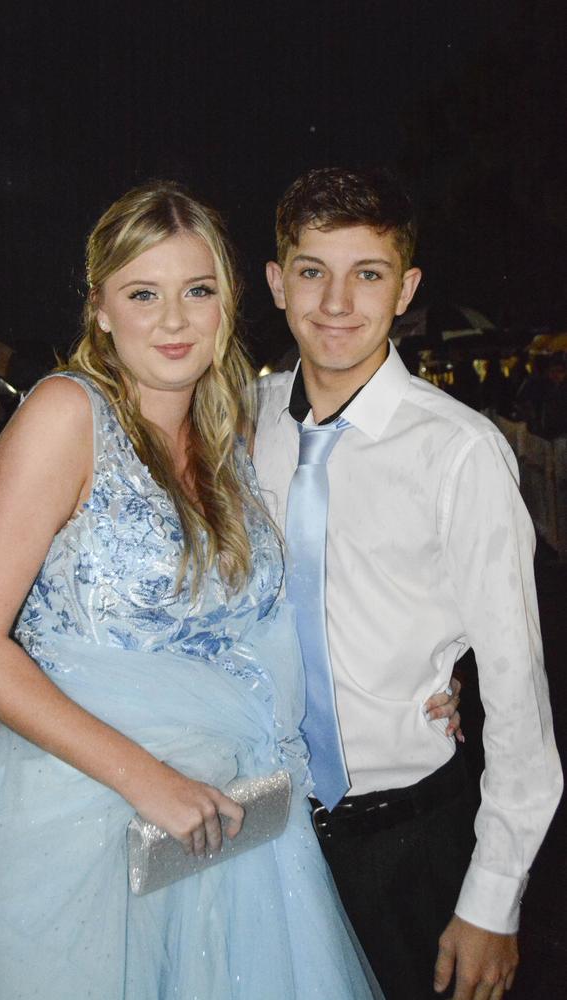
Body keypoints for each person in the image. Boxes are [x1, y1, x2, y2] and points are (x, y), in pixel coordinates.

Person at [0, 182, 385, 999]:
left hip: (238, 822)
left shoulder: (233, 430)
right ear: (100, 307)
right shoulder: (67, 414)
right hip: (94, 823)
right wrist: (148, 779)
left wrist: (417, 683)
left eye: (198, 291)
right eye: (144, 293)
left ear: (227, 303)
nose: (174, 320)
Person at [254, 167, 563, 1000]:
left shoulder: (456, 451)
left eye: (369, 274)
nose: (336, 302)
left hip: (412, 837)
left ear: (407, 289)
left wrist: (493, 899)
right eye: (313, 271)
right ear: (278, 282)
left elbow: (515, 689)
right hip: (271, 836)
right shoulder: (242, 426)